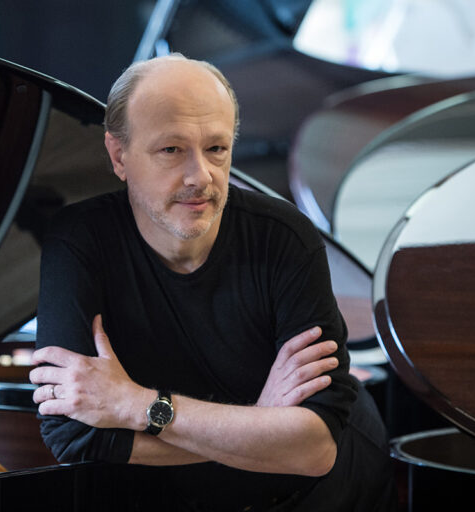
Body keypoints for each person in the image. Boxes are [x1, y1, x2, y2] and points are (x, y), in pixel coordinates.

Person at [30, 54, 392, 511]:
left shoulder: (284, 237)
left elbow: (314, 450)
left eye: (216, 149)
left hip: (325, 497)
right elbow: (73, 439)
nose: (200, 176)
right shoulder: (79, 241)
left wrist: (138, 406)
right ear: (119, 156)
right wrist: (261, 425)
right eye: (171, 150)